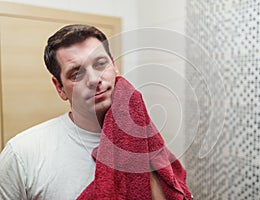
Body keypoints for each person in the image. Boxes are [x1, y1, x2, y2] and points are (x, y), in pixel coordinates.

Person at [0, 24, 191, 199]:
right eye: (77, 73)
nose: (93, 79)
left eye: (100, 64)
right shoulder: (22, 154)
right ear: (59, 87)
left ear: (115, 68)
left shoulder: (141, 139)